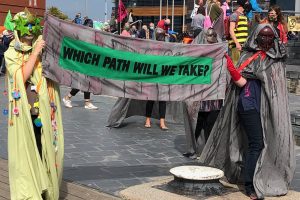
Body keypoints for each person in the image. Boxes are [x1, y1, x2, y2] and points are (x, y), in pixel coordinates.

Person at [199, 23, 295, 200]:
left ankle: (260, 177)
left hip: (269, 109)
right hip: (249, 103)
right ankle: (250, 185)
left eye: (269, 36)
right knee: (256, 144)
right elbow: (241, 81)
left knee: (262, 143)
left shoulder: (278, 59)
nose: (266, 40)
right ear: (256, 37)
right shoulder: (247, 56)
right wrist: (229, 63)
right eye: (263, 36)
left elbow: (278, 89)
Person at [4, 9, 64, 199]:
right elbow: (20, 76)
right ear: (18, 29)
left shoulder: (44, 47)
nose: (30, 30)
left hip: (45, 110)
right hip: (24, 112)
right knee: (28, 150)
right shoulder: (11, 52)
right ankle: (31, 190)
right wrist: (36, 53)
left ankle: (46, 187)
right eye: (26, 26)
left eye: (32, 25)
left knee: (45, 148)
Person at [183, 28, 223, 159]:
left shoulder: (220, 54)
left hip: (214, 95)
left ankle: (208, 151)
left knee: (210, 124)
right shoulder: (196, 55)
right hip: (200, 96)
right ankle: (194, 149)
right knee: (198, 122)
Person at [62, 18, 98, 110]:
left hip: (88, 62)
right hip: (81, 62)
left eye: (91, 25)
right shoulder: (80, 35)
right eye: (88, 25)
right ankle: (69, 98)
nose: (90, 27)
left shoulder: (91, 36)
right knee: (83, 82)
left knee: (86, 82)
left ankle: (85, 102)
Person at [144, 28, 168, 130]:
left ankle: (162, 121)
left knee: (163, 99)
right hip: (153, 75)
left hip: (163, 74)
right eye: (161, 36)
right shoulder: (151, 47)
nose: (162, 38)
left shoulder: (167, 46)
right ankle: (147, 119)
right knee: (151, 98)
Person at [229, 0, 250, 65]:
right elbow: (231, 30)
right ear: (242, 4)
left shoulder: (244, 16)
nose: (248, 4)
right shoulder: (235, 15)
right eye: (246, 2)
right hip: (237, 45)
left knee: (242, 65)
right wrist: (237, 43)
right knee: (236, 65)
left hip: (243, 45)